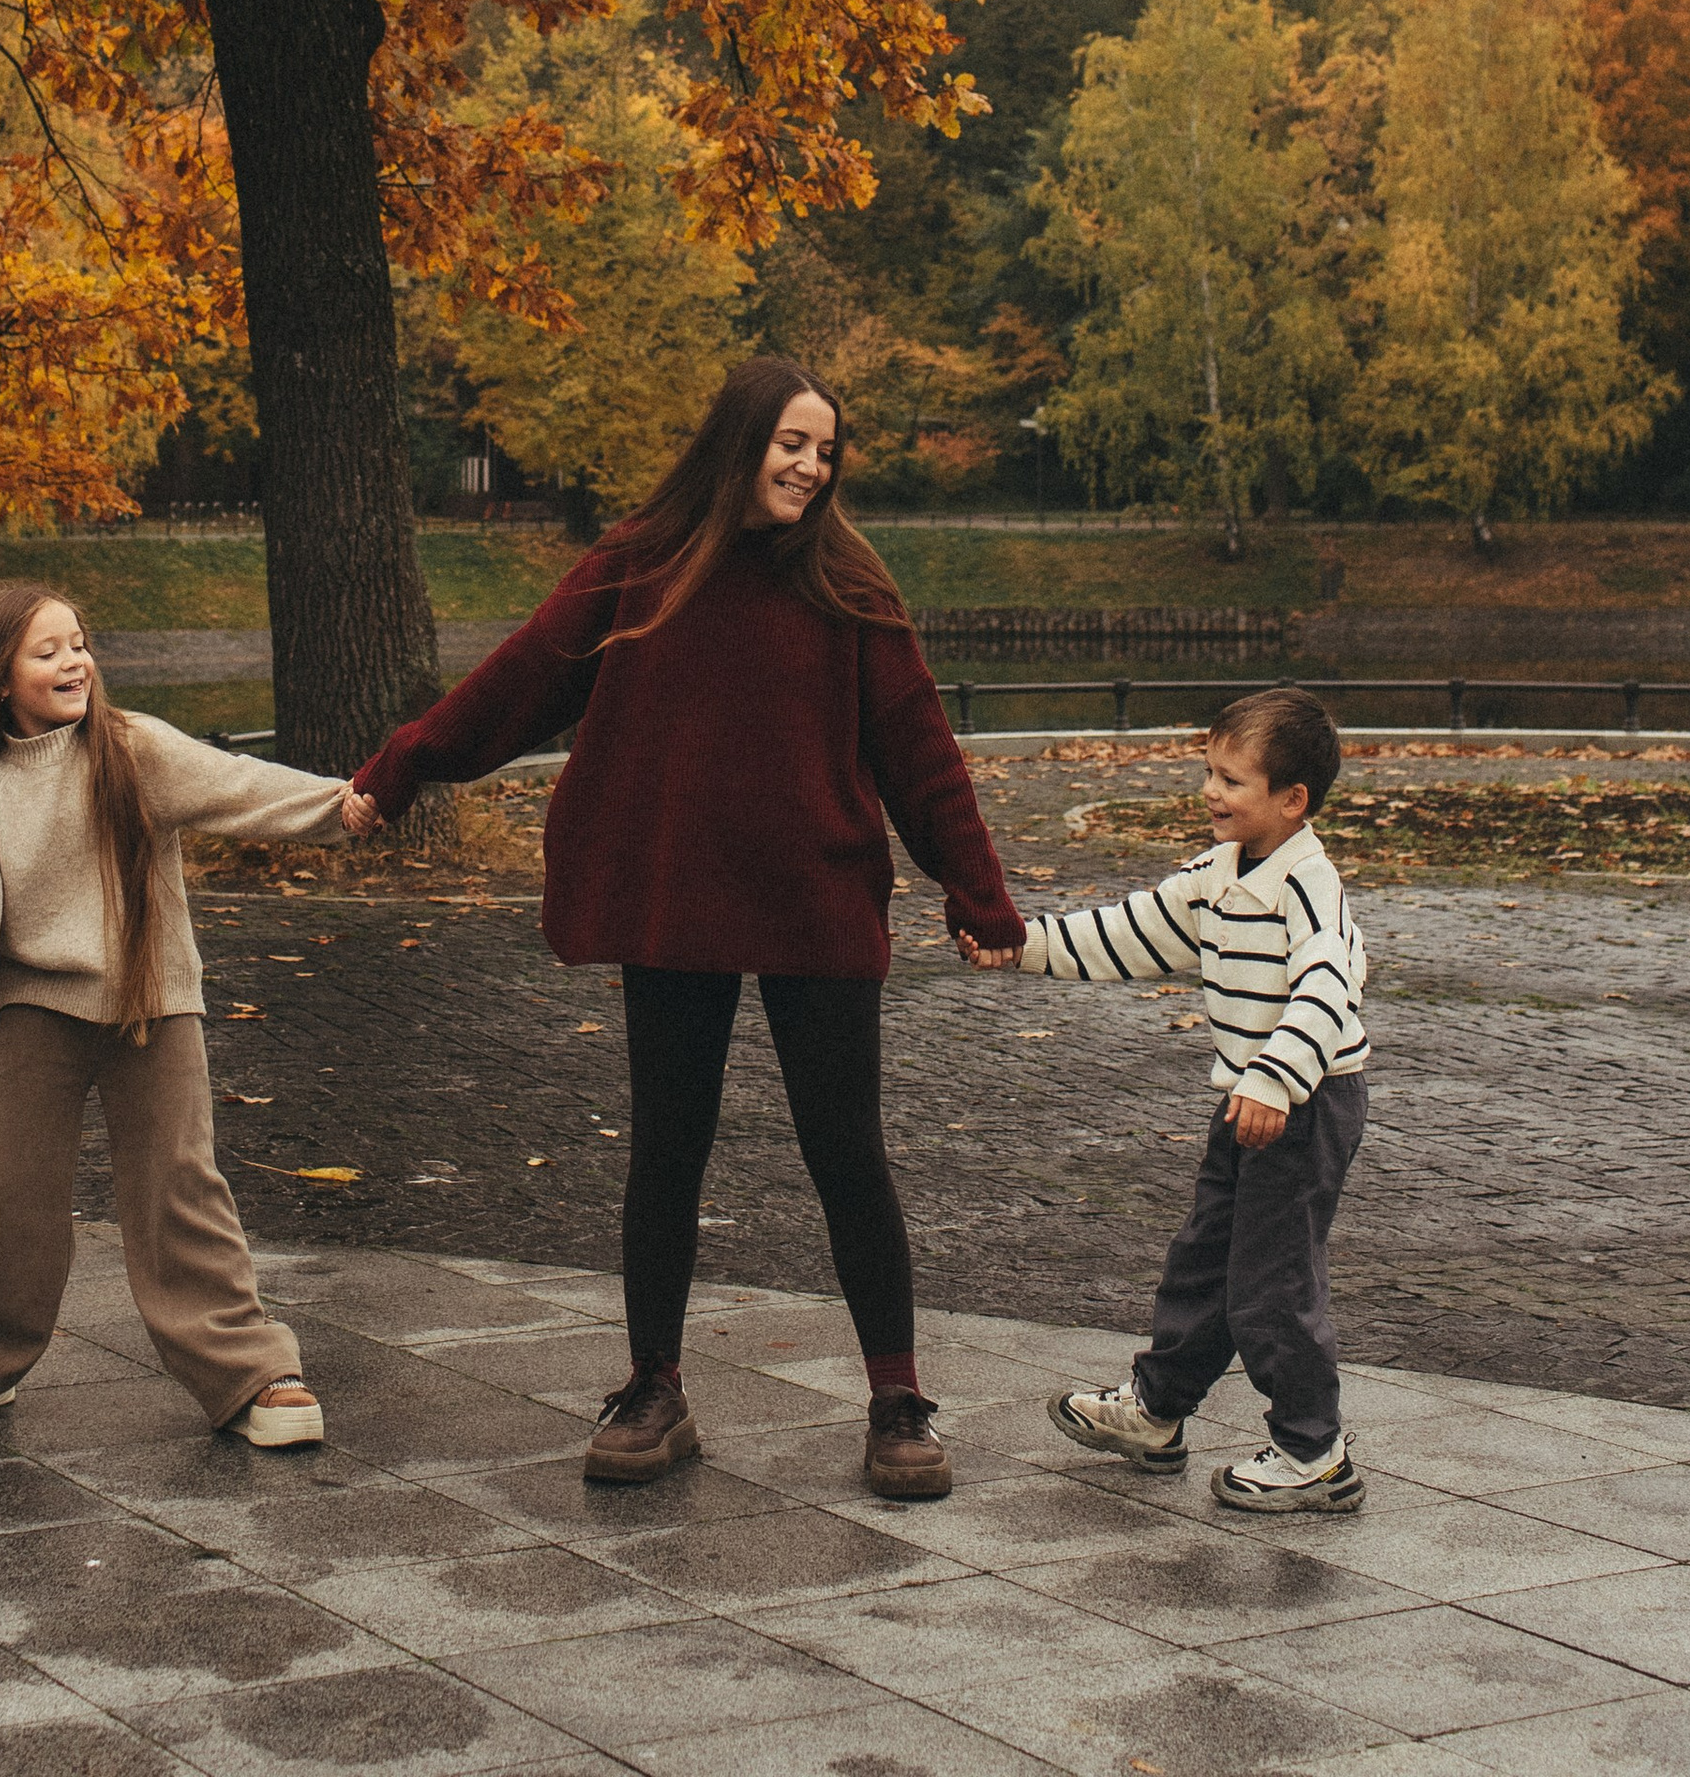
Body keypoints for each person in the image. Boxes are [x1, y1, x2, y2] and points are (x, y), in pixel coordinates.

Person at [347, 356, 1023, 1502]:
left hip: (815, 899)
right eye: (791, 444)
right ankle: (652, 1388)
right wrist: (405, 765)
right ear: (738, 441)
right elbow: (517, 683)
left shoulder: (849, 583)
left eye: (825, 451)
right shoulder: (639, 564)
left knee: (845, 1151)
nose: (809, 468)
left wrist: (978, 893)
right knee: (668, 1146)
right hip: (673, 898)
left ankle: (896, 1399)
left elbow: (919, 751)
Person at [0, 582, 369, 1443]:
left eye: (79, 644)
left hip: (151, 1001)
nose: (75, 662)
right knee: (9, 1190)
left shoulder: (134, 749)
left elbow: (242, 786)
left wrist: (344, 804)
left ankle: (250, 1373)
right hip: (37, 1005)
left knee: (178, 1185)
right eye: (48, 652)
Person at [961, 681, 1370, 1513]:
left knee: (1272, 1282)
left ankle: (1315, 1452)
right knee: (1204, 1261)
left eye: (1232, 780)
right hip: (1249, 1102)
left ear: (1292, 800)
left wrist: (1275, 1078)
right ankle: (1157, 1411)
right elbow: (1128, 933)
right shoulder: (1216, 875)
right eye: (1209, 772)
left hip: (1303, 1102)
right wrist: (1020, 943)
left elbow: (1330, 986)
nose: (1210, 791)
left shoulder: (1307, 884)